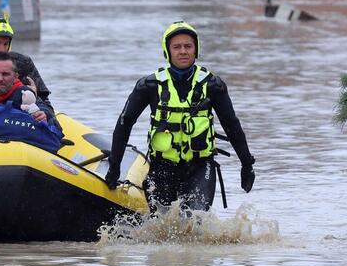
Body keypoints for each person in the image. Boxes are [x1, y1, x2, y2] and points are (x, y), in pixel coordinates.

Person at [104, 21, 256, 212]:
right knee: (161, 225)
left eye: (188, 46)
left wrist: (246, 163)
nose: (183, 51)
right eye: (177, 47)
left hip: (200, 167)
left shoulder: (213, 85)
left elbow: (231, 125)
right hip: (162, 168)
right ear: (167, 51)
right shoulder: (148, 86)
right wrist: (114, 166)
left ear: (196, 50)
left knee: (194, 220)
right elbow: (125, 123)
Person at [0, 16, 51, 102]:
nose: (2, 49)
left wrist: (34, 99)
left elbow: (45, 102)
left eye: (6, 44)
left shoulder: (23, 63)